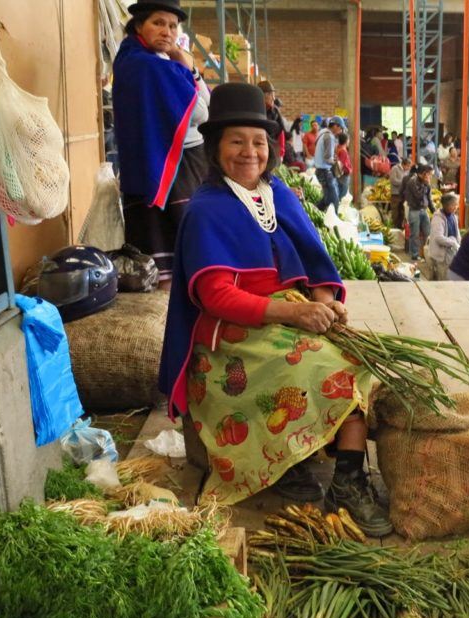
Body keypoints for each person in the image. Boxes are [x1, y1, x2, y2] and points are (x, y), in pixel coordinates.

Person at [157, 82, 390, 535]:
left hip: (288, 314)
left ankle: (346, 479)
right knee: (322, 373)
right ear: (216, 146)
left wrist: (323, 299)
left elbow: (313, 261)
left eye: (258, 141)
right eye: (236, 141)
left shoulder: (278, 194)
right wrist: (295, 314)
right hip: (232, 333)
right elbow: (215, 297)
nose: (249, 152)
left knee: (358, 360)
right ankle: (288, 460)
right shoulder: (206, 209)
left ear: (271, 147)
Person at [113, 0, 210, 288]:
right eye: (158, 23)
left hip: (149, 168)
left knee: (158, 253)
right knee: (179, 255)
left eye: (172, 25)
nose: (167, 31)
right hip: (174, 168)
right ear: (139, 25)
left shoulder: (129, 59)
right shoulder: (152, 67)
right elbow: (202, 112)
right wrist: (190, 70)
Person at [403, 164, 435, 260]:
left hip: (423, 210)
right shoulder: (413, 182)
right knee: (415, 233)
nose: (430, 176)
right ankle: (415, 254)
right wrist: (426, 184)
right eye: (429, 174)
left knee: (427, 232)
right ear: (423, 174)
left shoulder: (426, 183)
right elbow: (418, 196)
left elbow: (429, 198)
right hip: (414, 210)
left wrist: (434, 211)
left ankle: (425, 252)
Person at [426, 193, 461, 280]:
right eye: (454, 205)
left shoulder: (453, 216)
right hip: (441, 256)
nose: (456, 207)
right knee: (442, 281)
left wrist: (458, 243)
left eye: (457, 204)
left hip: (451, 253)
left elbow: (457, 233)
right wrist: (453, 243)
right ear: (447, 205)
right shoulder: (438, 218)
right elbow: (438, 238)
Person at [313, 116, 344, 213]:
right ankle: (335, 222)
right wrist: (336, 162)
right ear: (335, 126)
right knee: (334, 199)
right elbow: (327, 158)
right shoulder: (329, 136)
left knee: (327, 198)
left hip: (319, 170)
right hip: (325, 171)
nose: (340, 131)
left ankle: (313, 212)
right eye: (340, 128)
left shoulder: (322, 133)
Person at [257, 80, 286, 157]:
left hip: (273, 149)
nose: (273, 98)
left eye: (274, 94)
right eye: (270, 94)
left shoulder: (275, 111)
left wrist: (281, 151)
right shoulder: (254, 111)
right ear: (261, 95)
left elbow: (282, 131)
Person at [388, 157, 412, 228]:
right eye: (408, 166)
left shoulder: (407, 171)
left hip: (403, 194)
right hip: (395, 194)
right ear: (404, 164)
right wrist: (403, 183)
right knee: (395, 211)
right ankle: (394, 227)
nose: (409, 168)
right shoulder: (395, 168)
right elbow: (393, 180)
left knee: (402, 211)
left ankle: (400, 227)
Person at [335, 132, 353, 201]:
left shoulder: (338, 148)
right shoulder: (343, 151)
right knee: (342, 194)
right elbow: (341, 165)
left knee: (340, 192)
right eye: (348, 140)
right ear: (346, 140)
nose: (349, 141)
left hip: (340, 175)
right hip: (343, 176)